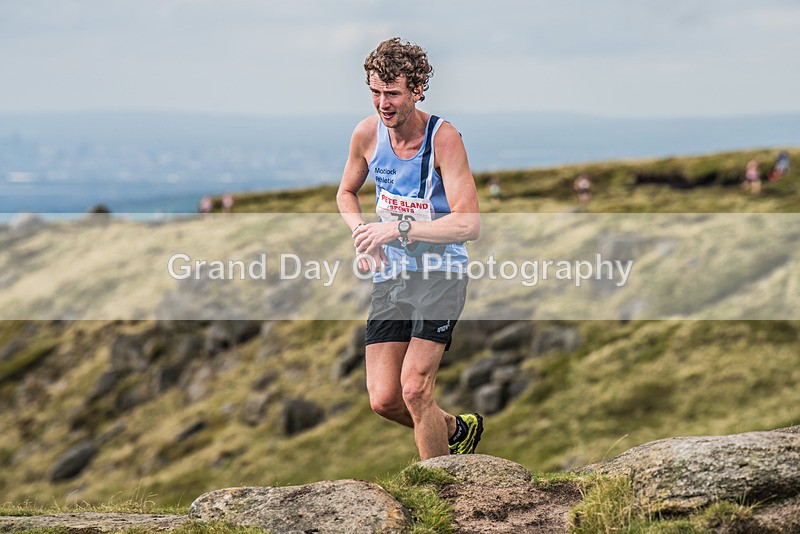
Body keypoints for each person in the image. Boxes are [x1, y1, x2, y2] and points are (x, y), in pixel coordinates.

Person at [336, 37, 483, 460]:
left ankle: (440, 497)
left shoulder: (444, 138)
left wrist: (398, 229)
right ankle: (456, 428)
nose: (383, 103)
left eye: (393, 93)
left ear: (417, 90)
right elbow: (346, 193)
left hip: (442, 274)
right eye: (375, 91)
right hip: (391, 277)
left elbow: (468, 224)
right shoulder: (366, 134)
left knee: (415, 389)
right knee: (384, 400)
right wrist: (363, 233)